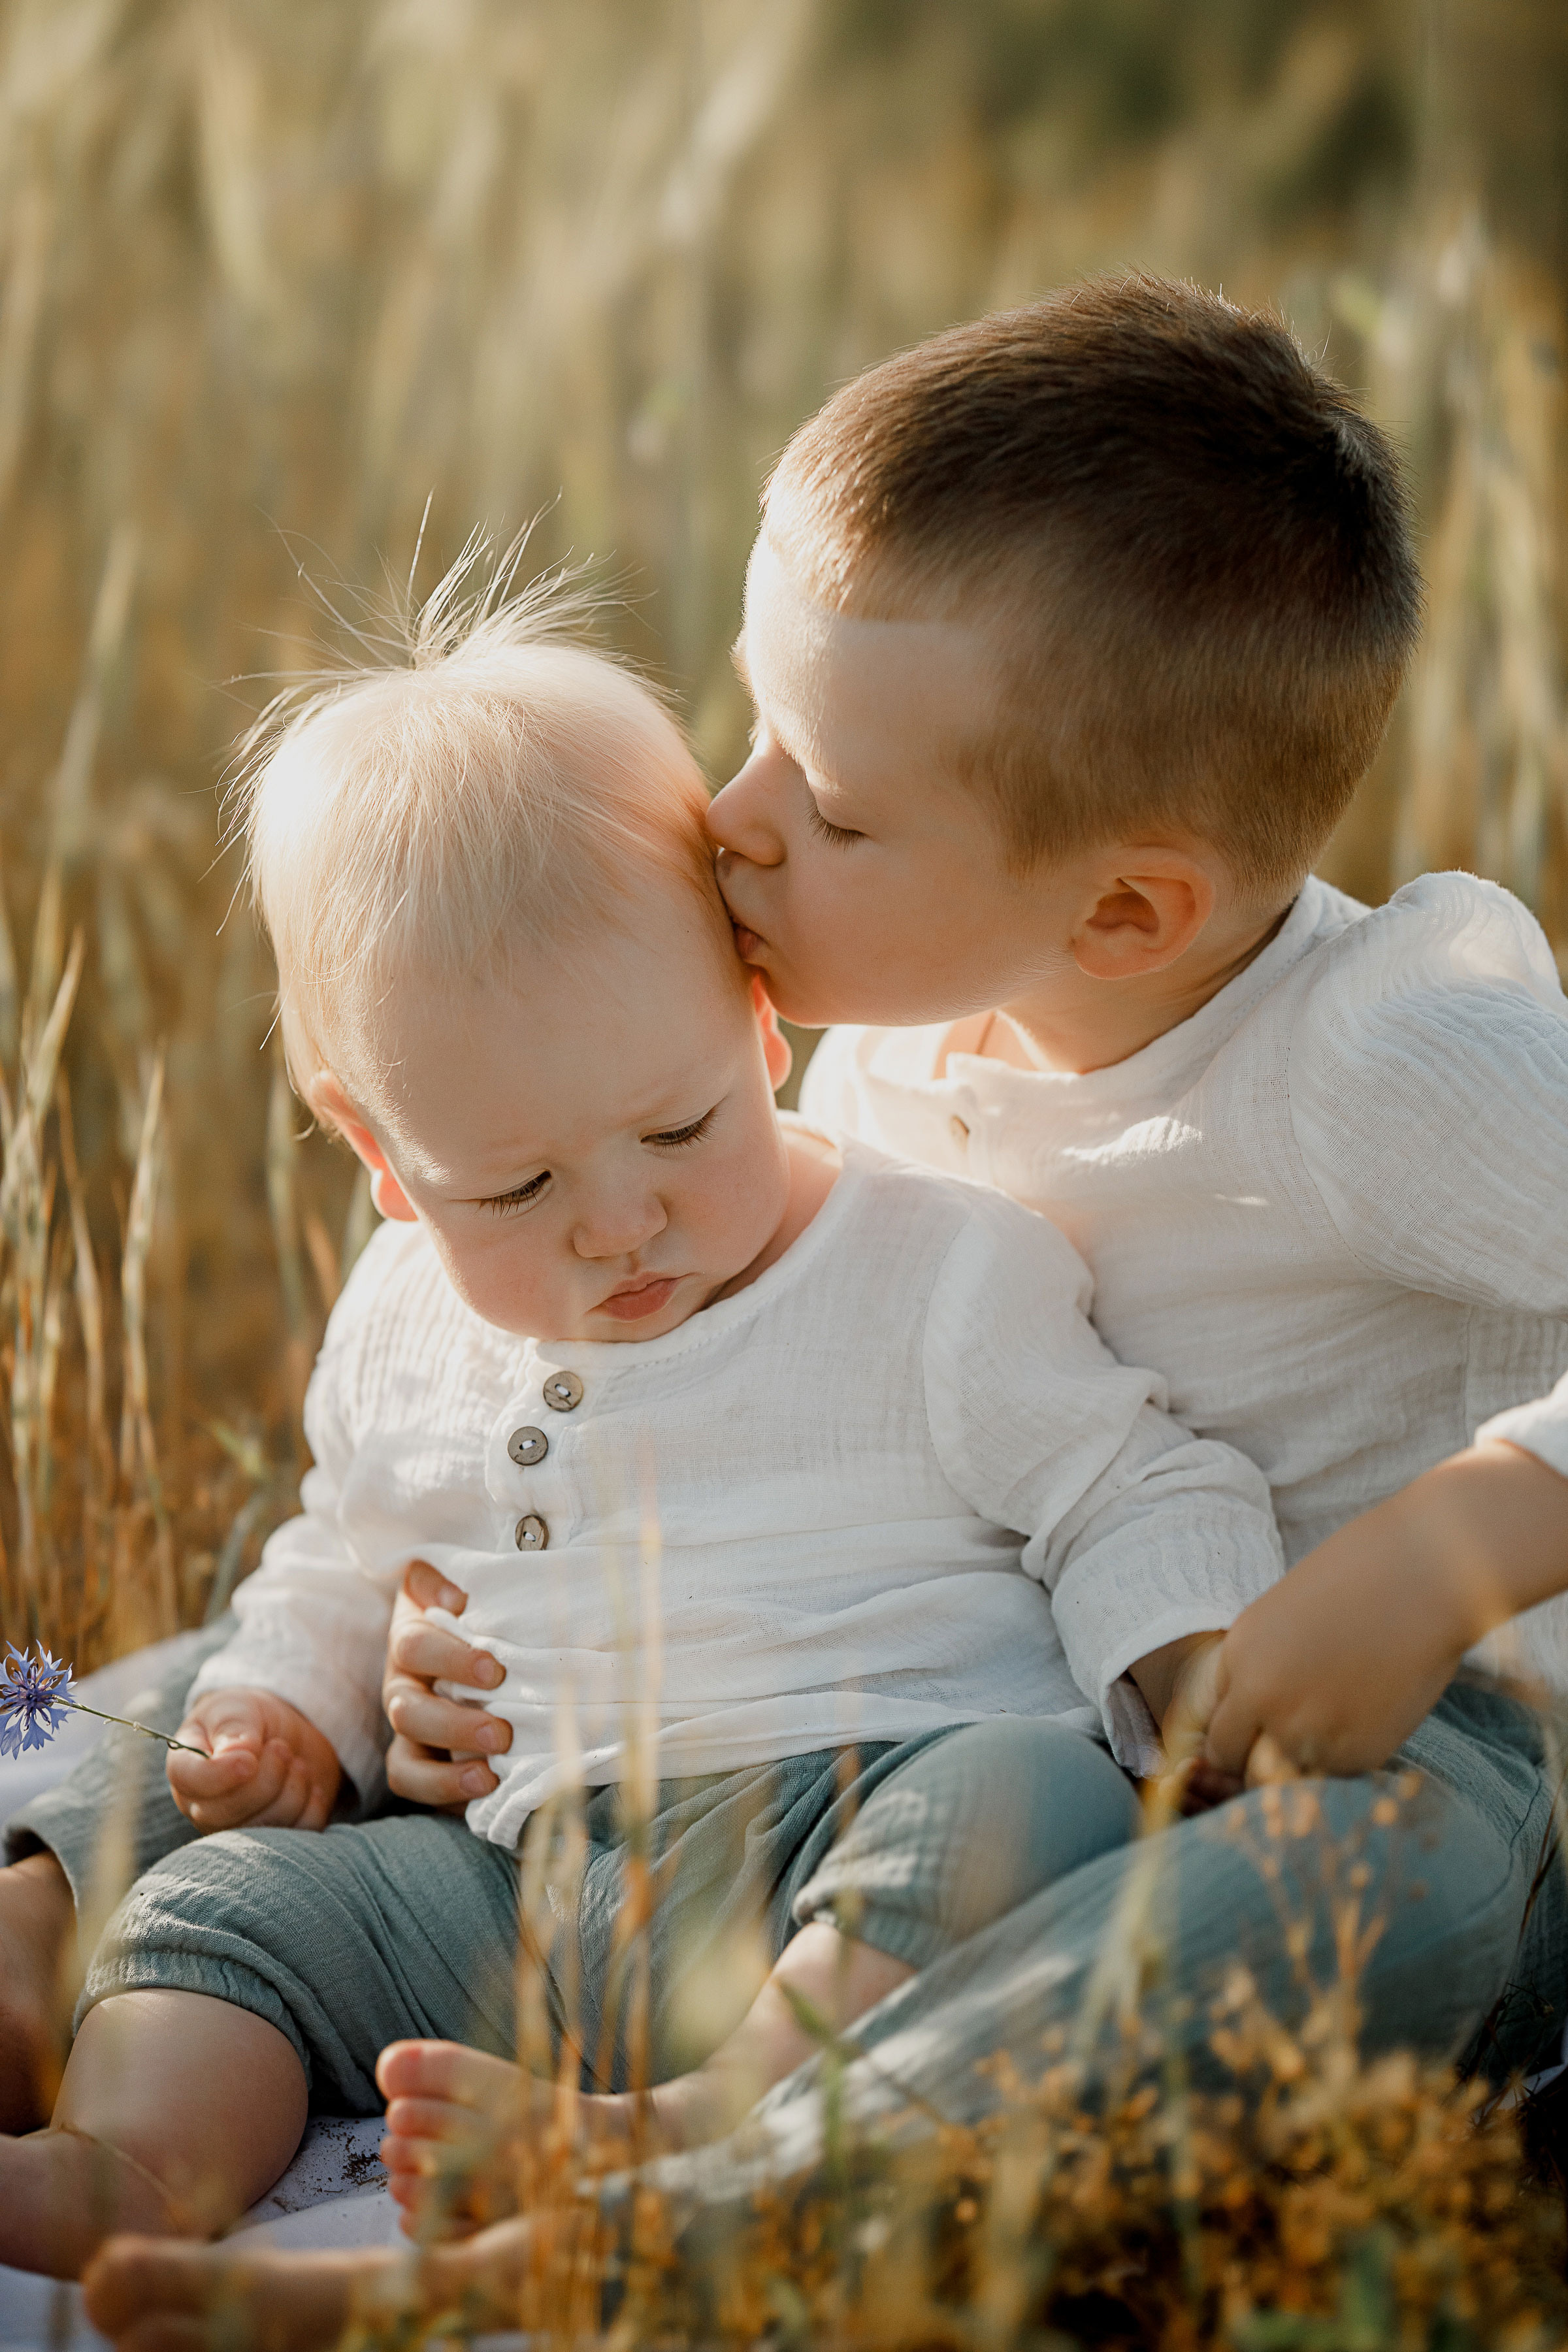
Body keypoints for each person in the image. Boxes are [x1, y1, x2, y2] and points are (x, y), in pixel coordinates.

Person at [66, 273, 1568, 2342]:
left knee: (1378, 1879)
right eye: (756, 729)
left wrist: (1459, 1541)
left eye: (834, 803)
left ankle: (723, 2200)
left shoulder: (1382, 1053)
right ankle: (71, 1946)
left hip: (1426, 1754)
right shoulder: (880, 1051)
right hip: (994, 1741)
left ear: (1128, 906)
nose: (739, 819)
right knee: (192, 1686)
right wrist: (489, 1611)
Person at [0, 570, 1287, 2279]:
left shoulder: (936, 1271)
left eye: (682, 1127)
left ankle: (702, 2121)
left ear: (762, 1017)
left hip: (840, 1831)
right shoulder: (406, 1317)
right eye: (517, 1184)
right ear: (379, 1154)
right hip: (511, 1886)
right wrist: (280, 1705)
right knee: (224, 1913)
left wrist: (1196, 1671)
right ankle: (128, 2170)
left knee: (1019, 1810)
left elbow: (1126, 1486)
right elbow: (344, 1543)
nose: (620, 1224)